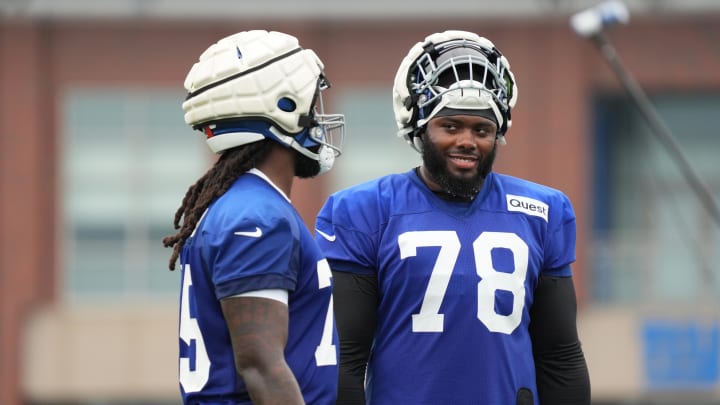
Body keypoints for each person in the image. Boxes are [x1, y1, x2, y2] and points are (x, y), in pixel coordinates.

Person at [314, 30, 591, 405]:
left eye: (482, 129)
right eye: (451, 126)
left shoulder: (544, 211)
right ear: (420, 128)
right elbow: (344, 359)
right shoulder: (363, 210)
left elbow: (560, 355)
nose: (467, 140)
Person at [162, 30, 344, 404]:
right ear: (284, 106)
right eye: (312, 102)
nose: (319, 117)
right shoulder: (257, 216)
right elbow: (260, 365)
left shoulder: (243, 205)